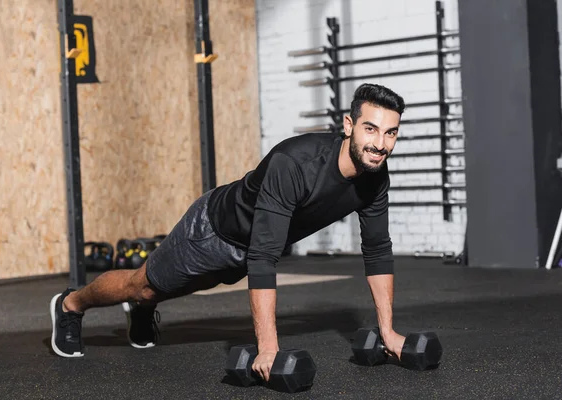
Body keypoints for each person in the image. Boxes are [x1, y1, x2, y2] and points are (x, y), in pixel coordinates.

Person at [50, 82, 407, 382]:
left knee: (183, 287)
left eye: (391, 132)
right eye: (370, 129)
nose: (380, 144)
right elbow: (264, 257)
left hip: (248, 247)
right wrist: (268, 349)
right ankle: (70, 304)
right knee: (143, 284)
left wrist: (387, 331)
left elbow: (376, 251)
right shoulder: (296, 164)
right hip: (213, 231)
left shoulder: (376, 179)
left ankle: (144, 306)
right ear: (349, 125)